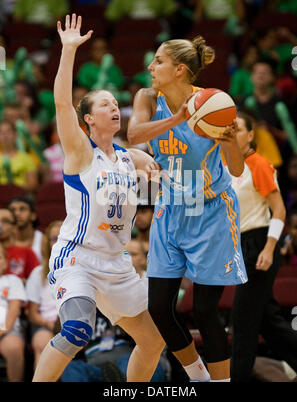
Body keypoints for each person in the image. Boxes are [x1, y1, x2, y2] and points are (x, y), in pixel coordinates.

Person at [32, 14, 165, 382]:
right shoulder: (80, 152)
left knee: (154, 343)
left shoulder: (127, 157)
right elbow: (62, 105)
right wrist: (69, 51)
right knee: (77, 331)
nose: (113, 107)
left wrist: (163, 176)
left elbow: (159, 178)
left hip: (117, 263)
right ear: (88, 119)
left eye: (114, 103)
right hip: (79, 257)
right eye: (104, 104)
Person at [127, 35, 247, 382]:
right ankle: (200, 378)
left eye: (159, 61)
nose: (151, 67)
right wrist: (179, 117)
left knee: (206, 311)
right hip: (171, 208)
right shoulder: (148, 97)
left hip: (211, 211)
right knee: (160, 308)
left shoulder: (214, 104)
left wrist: (229, 143)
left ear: (180, 70)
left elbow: (236, 170)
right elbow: (134, 135)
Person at [229, 112, 287, 382]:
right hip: (241, 246)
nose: (233, 134)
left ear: (251, 135)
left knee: (242, 322)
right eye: (229, 130)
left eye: (239, 129)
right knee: (269, 323)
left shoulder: (259, 164)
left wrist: (269, 247)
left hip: (260, 243)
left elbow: (279, 211)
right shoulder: (227, 167)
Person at [25, 220, 62, 369]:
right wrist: (49, 324)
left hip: (74, 324)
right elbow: (32, 313)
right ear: (47, 243)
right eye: (54, 239)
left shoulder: (82, 270)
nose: (59, 243)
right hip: (46, 325)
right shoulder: (38, 273)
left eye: (62, 238)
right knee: (44, 343)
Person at [0, 243, 27, 382]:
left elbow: (14, 309)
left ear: (5, 262)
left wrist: (3, 329)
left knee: (14, 347)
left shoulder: (13, 281)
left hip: (7, 330)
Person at [0, 208, 39, 282]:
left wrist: (18, 282)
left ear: (14, 227)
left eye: (5, 221)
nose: (0, 225)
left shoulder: (26, 252)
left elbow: (36, 281)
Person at [0, 120, 39, 193]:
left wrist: (14, 190)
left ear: (15, 135)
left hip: (19, 196)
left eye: (8, 132)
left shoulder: (27, 158)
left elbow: (33, 185)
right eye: (1, 132)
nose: (5, 135)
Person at [8, 196, 43, 262]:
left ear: (33, 215)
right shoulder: (4, 238)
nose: (17, 213)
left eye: (22, 209)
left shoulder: (43, 240)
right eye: (12, 210)